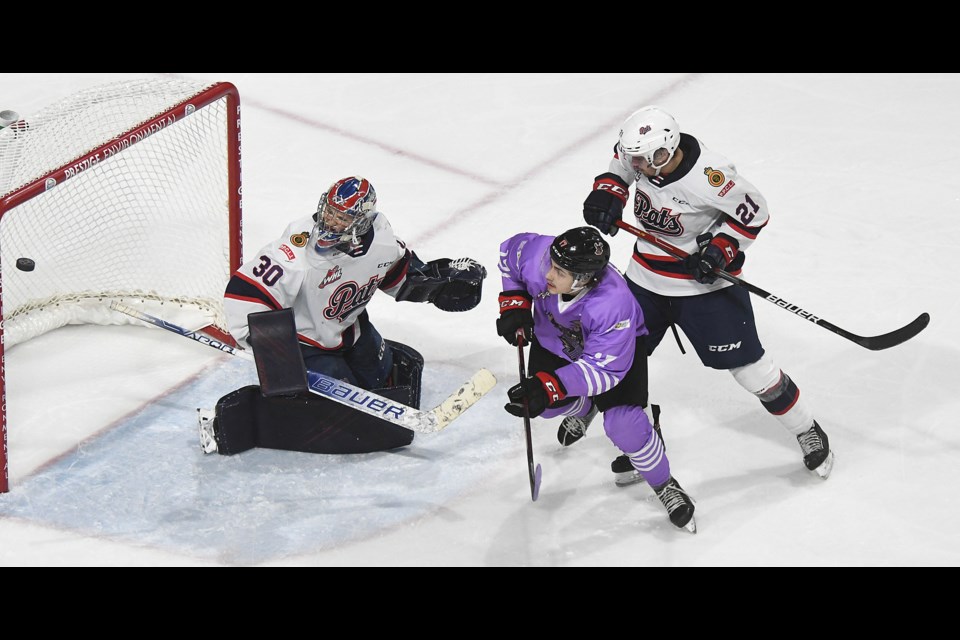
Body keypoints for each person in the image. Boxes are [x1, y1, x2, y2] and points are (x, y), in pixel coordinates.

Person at [582, 105, 834, 480]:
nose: (633, 166)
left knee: (753, 374)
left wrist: (721, 248)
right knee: (623, 361)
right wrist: (608, 192)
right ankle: (646, 443)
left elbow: (755, 212)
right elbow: (620, 163)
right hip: (645, 281)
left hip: (705, 289)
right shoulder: (641, 155)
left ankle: (806, 428)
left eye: (640, 161)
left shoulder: (711, 178)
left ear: (662, 155)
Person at [198, 175, 487, 457]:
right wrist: (269, 349)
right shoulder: (296, 253)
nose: (331, 222)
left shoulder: (382, 240)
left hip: (352, 331)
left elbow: (398, 276)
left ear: (363, 222)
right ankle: (229, 422)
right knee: (340, 409)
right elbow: (244, 296)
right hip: (305, 344)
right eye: (330, 213)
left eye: (342, 218)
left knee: (380, 377)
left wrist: (438, 287)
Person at [496, 226, 696, 533]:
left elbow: (603, 372)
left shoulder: (613, 304)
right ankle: (584, 408)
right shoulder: (541, 257)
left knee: (624, 427)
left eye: (559, 271)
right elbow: (509, 252)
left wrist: (551, 385)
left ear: (584, 278)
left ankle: (665, 484)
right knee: (545, 407)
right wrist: (514, 301)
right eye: (551, 263)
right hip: (556, 341)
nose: (548, 274)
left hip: (614, 353)